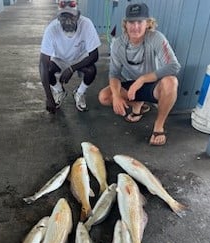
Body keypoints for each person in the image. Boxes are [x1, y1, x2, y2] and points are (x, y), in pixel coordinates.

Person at [98, 3, 181, 146]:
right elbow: (114, 74)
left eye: (140, 22)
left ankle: (158, 126)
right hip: (131, 87)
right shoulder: (118, 44)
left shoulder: (156, 38)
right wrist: (117, 96)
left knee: (171, 82)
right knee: (104, 97)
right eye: (131, 22)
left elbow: (174, 66)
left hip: (154, 86)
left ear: (148, 23)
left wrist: (142, 79)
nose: (135, 26)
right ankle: (137, 105)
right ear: (125, 24)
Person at [40, 0, 101, 114]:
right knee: (47, 70)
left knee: (91, 70)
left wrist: (72, 68)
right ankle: (59, 91)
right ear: (58, 17)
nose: (68, 21)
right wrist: (49, 97)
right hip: (60, 59)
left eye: (71, 17)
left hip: (79, 58)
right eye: (64, 17)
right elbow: (42, 63)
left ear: (78, 15)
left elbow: (94, 56)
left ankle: (80, 92)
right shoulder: (51, 29)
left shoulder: (86, 24)